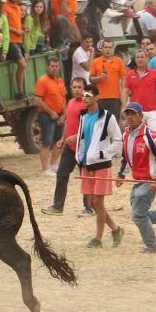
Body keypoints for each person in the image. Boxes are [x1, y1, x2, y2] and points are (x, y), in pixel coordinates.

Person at [116, 102, 156, 253]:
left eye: (133, 114)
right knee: (140, 214)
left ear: (141, 116)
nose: (130, 117)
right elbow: (126, 157)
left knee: (138, 215)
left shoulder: (150, 135)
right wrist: (121, 174)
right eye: (128, 114)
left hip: (151, 180)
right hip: (138, 180)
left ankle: (153, 247)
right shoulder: (126, 134)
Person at [68, 83, 124, 248]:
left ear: (96, 98)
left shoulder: (108, 117)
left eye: (87, 95)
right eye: (83, 95)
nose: (84, 98)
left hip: (101, 164)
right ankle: (115, 229)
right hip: (86, 164)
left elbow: (118, 140)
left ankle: (98, 239)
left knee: (98, 202)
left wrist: (103, 154)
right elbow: (86, 137)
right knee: (92, 203)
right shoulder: (84, 116)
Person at [42, 77, 95, 217]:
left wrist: (76, 137)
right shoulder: (70, 102)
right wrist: (62, 139)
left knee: (86, 178)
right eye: (74, 87)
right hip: (70, 147)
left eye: (80, 87)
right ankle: (57, 206)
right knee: (61, 174)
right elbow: (68, 122)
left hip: (85, 148)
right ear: (71, 88)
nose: (77, 90)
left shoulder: (88, 105)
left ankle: (90, 208)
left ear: (85, 89)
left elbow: (90, 128)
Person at [34, 57, 67, 176]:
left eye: (56, 66)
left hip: (59, 115)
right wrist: (51, 112)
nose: (54, 68)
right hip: (46, 115)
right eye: (52, 66)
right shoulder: (42, 81)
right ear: (47, 67)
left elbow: (63, 98)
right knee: (47, 142)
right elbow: (37, 100)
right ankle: (45, 169)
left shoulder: (60, 81)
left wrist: (64, 114)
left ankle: (53, 165)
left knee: (60, 141)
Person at [122, 48, 156, 136]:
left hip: (152, 111)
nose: (140, 59)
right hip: (135, 112)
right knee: (135, 136)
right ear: (135, 59)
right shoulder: (130, 74)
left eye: (142, 57)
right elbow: (125, 91)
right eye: (138, 57)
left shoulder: (155, 73)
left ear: (146, 58)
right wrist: (124, 107)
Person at [1, 0, 27, 97]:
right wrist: (16, 30)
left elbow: (16, 22)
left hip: (19, 40)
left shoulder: (17, 6)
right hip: (10, 40)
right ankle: (20, 91)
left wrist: (22, 27)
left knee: (24, 61)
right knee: (22, 64)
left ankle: (21, 90)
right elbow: (3, 25)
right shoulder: (5, 7)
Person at [89, 40, 127, 118]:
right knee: (100, 122)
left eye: (110, 47)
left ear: (113, 49)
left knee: (114, 123)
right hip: (100, 98)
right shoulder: (95, 62)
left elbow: (123, 80)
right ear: (102, 49)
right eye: (106, 47)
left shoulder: (119, 61)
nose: (108, 49)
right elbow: (90, 79)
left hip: (115, 98)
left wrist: (123, 98)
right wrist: (99, 77)